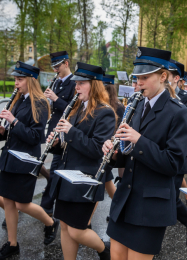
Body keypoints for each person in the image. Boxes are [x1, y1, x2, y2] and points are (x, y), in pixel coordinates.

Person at [103, 47, 187, 259]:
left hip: (151, 205)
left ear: (162, 77)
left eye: (144, 77)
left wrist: (139, 140)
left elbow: (174, 164)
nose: (138, 83)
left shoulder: (178, 112)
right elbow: (128, 153)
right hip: (126, 199)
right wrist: (114, 153)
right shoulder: (136, 105)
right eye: (136, 77)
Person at [48, 62, 115, 260]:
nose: (76, 87)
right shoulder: (77, 108)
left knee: (77, 230)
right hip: (67, 177)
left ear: (94, 84)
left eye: (81, 83)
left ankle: (104, 250)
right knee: (66, 228)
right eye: (76, 83)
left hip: (86, 179)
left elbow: (96, 149)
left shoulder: (105, 112)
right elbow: (69, 145)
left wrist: (70, 131)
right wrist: (55, 144)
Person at [0, 61, 59, 259]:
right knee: (8, 201)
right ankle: (12, 243)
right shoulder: (18, 100)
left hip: (25, 159)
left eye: (20, 79)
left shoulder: (40, 102)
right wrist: (3, 130)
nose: (16, 83)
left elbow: (35, 137)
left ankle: (50, 222)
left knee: (21, 204)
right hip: (10, 157)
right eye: (15, 79)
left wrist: (13, 121)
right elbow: (12, 132)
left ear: (31, 80)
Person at [41, 50, 76, 216]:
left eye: (58, 66)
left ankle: (47, 206)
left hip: (65, 132)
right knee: (55, 169)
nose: (55, 69)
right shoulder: (57, 82)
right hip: (54, 130)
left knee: (57, 169)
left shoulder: (75, 83)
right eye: (53, 66)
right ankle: (47, 205)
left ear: (66, 63)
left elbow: (73, 109)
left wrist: (55, 98)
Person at [168, 59, 187, 247]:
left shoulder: (186, 99)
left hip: (176, 156)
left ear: (176, 78)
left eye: (167, 75)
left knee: (170, 197)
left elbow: (181, 128)